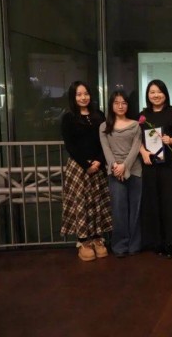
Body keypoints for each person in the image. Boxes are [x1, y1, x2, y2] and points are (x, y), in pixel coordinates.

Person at [60, 81, 112, 261]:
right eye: (79, 94)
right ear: (73, 97)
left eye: (86, 93)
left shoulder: (99, 115)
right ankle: (83, 241)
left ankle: (98, 238)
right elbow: (70, 145)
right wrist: (86, 164)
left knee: (97, 203)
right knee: (81, 204)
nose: (83, 97)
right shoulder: (68, 117)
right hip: (78, 167)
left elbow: (105, 140)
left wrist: (99, 161)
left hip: (98, 166)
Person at [138, 79, 172, 258]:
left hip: (171, 164)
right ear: (148, 95)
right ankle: (157, 242)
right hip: (151, 165)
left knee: (170, 201)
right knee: (154, 201)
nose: (156, 95)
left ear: (165, 93)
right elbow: (137, 139)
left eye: (159, 91)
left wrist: (171, 140)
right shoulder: (143, 115)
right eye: (152, 92)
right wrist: (143, 152)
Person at [100, 90, 143, 258]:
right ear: (111, 105)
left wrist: (124, 166)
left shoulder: (135, 125)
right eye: (116, 102)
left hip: (134, 170)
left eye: (124, 103)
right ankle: (119, 246)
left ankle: (134, 245)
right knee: (118, 210)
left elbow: (135, 148)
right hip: (114, 172)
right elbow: (106, 149)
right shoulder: (104, 127)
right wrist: (115, 167)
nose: (120, 106)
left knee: (135, 210)